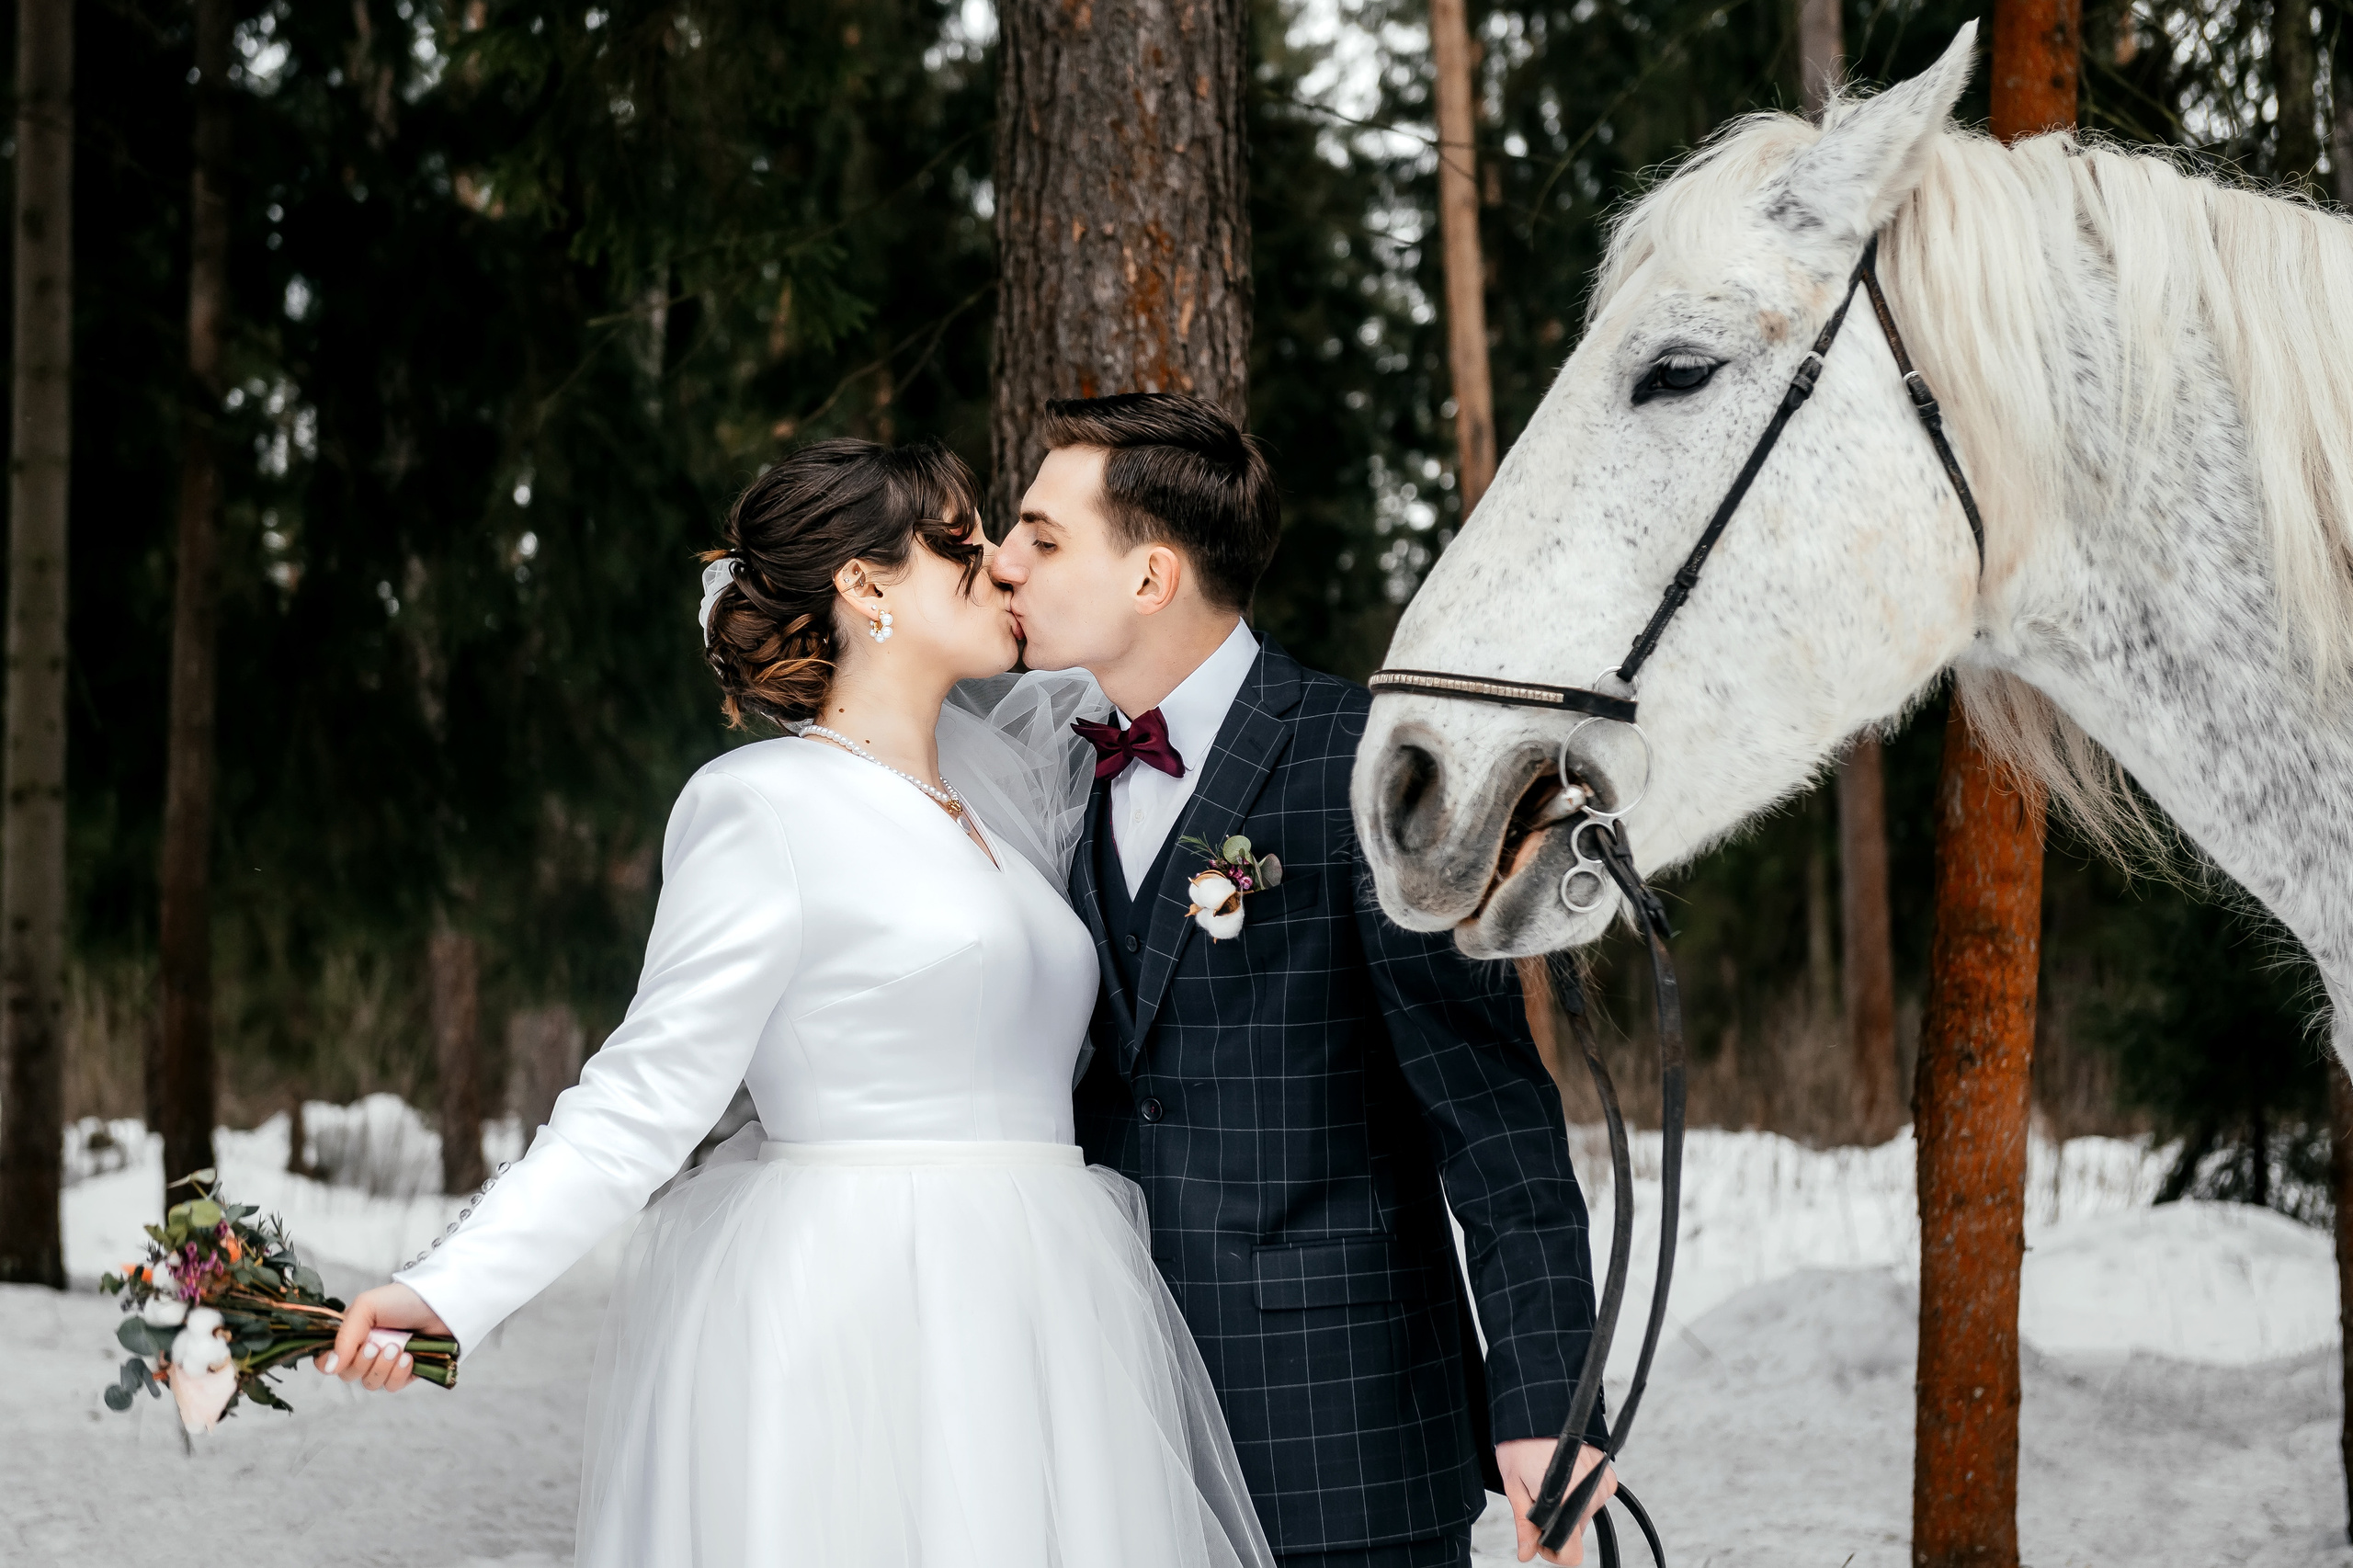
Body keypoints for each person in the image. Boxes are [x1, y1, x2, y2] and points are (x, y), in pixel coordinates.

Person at [319, 438, 1275, 1568]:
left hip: (1047, 1295)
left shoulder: (1004, 796)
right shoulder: (759, 807)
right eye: (958, 541)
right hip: (861, 1303)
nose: (997, 565)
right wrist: (451, 1288)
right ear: (864, 586)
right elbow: (641, 1097)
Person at [991, 393, 1615, 1568]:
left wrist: (1548, 1404)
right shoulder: (1051, 775)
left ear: (1150, 577)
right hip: (1112, 1425)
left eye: (1042, 534)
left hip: (1345, 1437)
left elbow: (1492, 1119)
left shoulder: (1362, 764)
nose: (1002, 560)